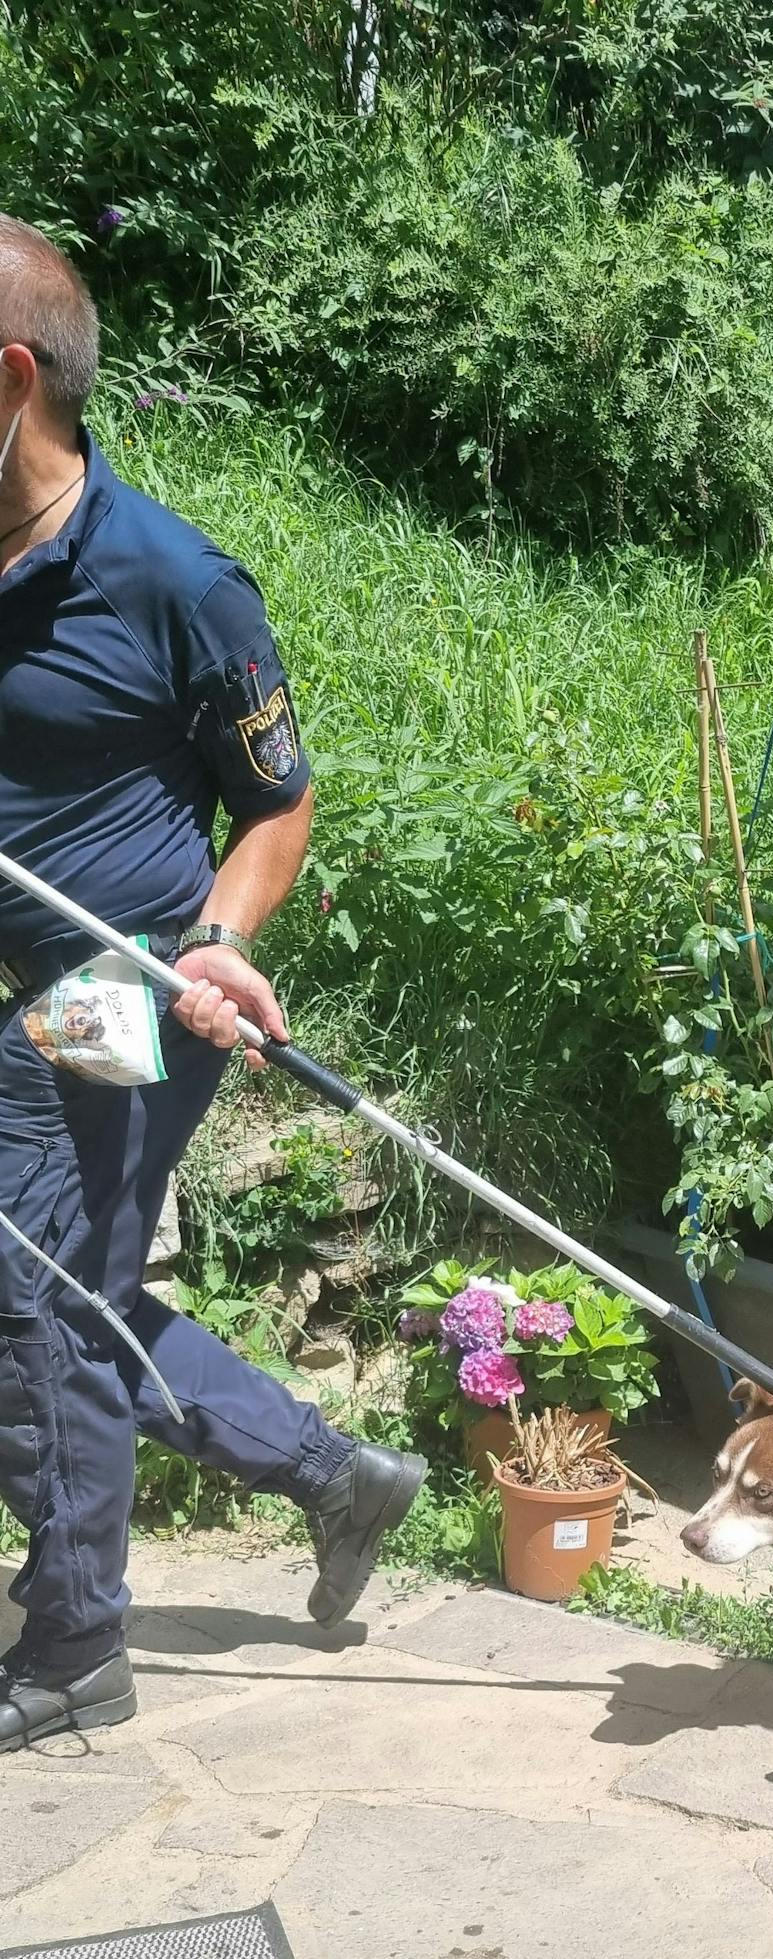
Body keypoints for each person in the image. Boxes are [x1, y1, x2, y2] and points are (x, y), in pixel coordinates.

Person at [0, 217, 424, 1751]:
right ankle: (329, 1473)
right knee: (79, 1297)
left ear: (13, 380)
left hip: (126, 995)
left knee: (32, 1288)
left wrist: (216, 936)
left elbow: (281, 801)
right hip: (26, 989)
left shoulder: (175, 581)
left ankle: (74, 1642)